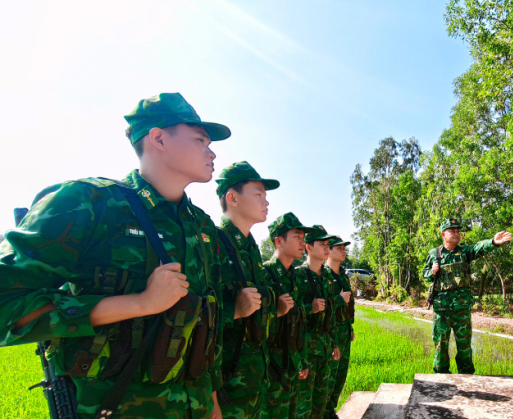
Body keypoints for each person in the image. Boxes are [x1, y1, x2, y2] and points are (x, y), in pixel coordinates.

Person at [0, 92, 232, 418]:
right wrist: (139, 304)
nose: (211, 152)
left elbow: (208, 319)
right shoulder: (89, 202)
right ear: (158, 138)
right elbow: (7, 304)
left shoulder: (200, 226)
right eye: (200, 140)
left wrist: (213, 400)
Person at [214, 161, 288, 419]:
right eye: (258, 195)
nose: (266, 202)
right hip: (226, 384)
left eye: (265, 196)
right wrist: (232, 311)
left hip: (254, 377)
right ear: (232, 198)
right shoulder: (213, 243)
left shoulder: (249, 247)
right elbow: (191, 310)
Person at [421, 218, 512, 375]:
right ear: (443, 234)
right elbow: (425, 275)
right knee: (440, 343)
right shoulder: (434, 254)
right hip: (441, 309)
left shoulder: (464, 252)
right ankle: (441, 377)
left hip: (461, 308)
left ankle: (466, 376)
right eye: (452, 231)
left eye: (458, 231)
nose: (457, 234)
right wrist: (433, 271)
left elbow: (479, 248)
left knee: (464, 345)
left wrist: (493, 242)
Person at [263, 213, 313, 419]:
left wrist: (302, 359)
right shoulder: (265, 274)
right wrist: (276, 312)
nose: (303, 242)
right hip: (271, 367)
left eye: (304, 238)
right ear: (279, 241)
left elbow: (300, 322)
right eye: (297, 236)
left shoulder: (297, 277)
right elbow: (253, 325)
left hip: (292, 364)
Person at [295, 226, 346, 419]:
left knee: (321, 402)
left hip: (324, 348)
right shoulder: (299, 276)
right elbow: (290, 317)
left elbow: (330, 316)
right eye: (321, 244)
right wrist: (311, 308)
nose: (326, 248)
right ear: (308, 247)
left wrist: (334, 343)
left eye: (327, 244)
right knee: (303, 405)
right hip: (306, 349)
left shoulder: (327, 278)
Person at [323, 236, 354, 419]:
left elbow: (348, 306)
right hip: (331, 334)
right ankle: (325, 412)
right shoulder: (324, 276)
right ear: (329, 250)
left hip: (344, 332)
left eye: (344, 248)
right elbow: (321, 308)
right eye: (339, 248)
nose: (343, 251)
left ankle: (331, 410)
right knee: (329, 377)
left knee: (341, 376)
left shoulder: (343, 276)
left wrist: (350, 328)